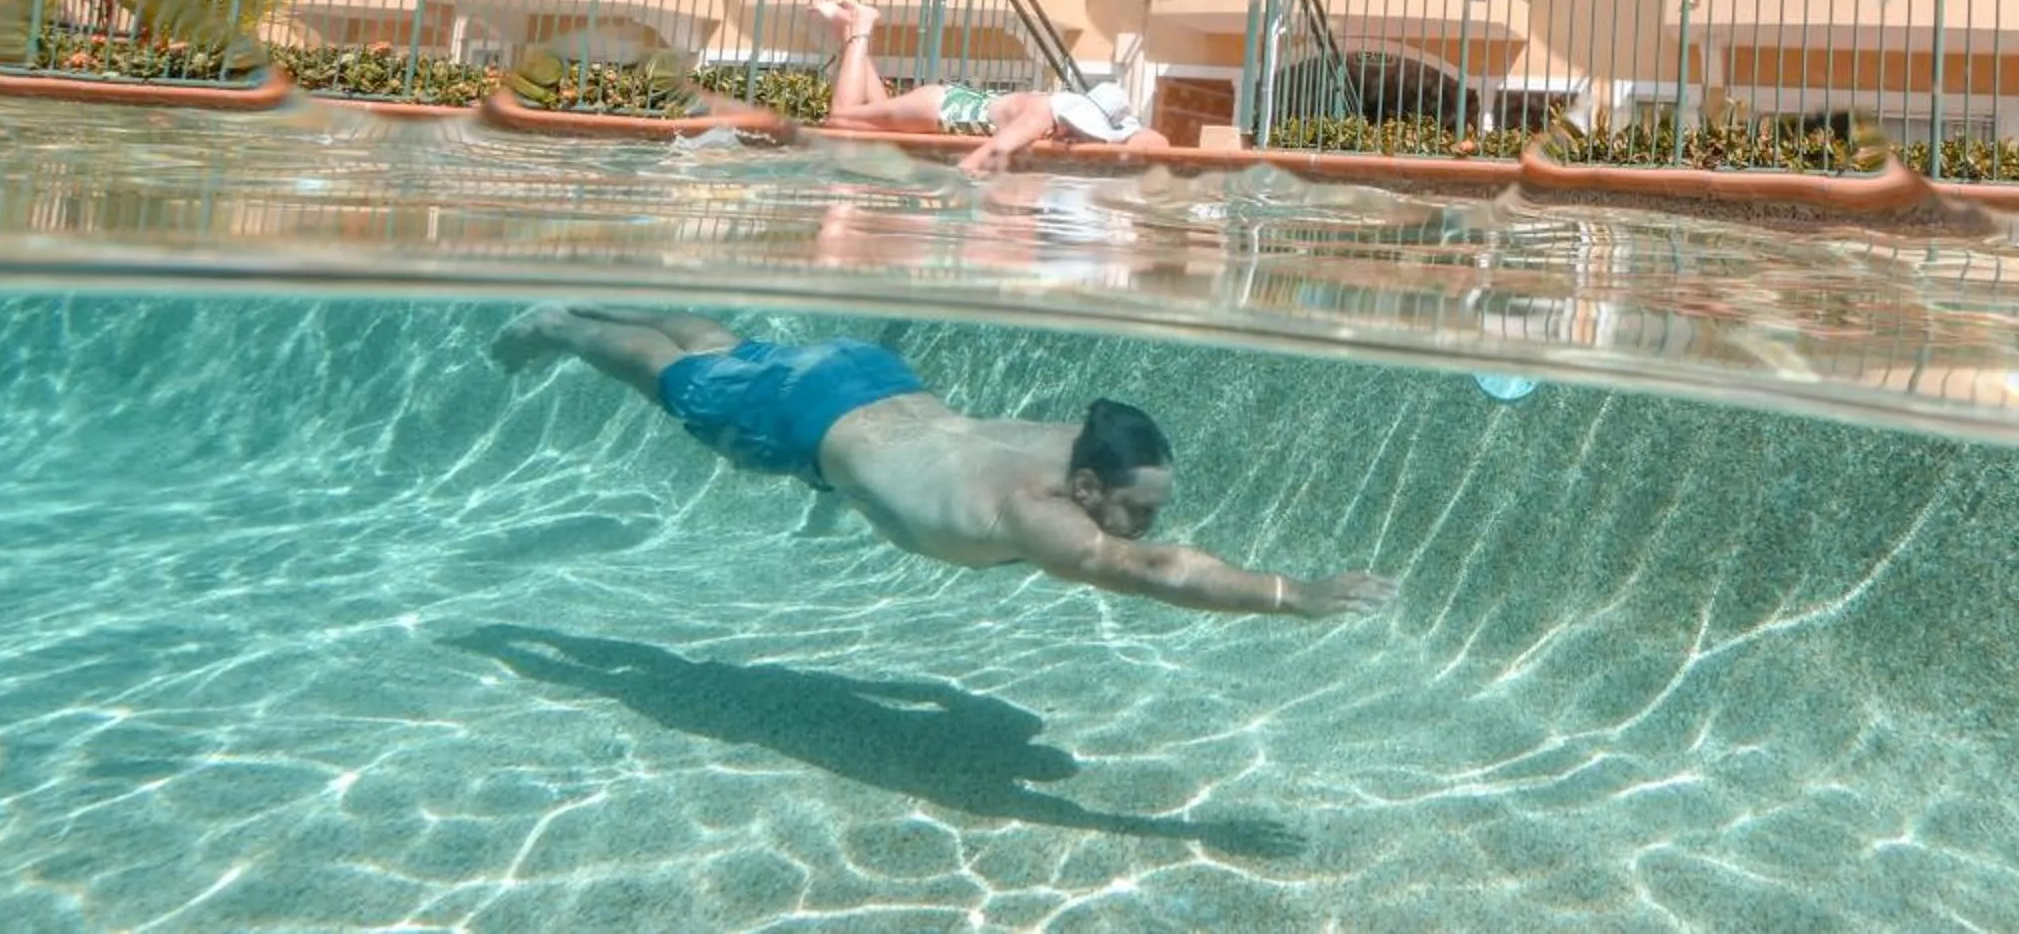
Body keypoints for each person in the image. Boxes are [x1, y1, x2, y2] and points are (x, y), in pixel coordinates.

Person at [491, 305, 1398, 621]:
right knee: (665, 374)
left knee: (728, 350)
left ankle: (607, 303)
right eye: (1141, 508)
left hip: (867, 375)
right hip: (807, 419)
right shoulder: (1041, 515)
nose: (1149, 524)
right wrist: (1294, 593)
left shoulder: (1073, 439)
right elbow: (1155, 571)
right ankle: (562, 326)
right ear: (1087, 487)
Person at [811, 0, 1166, 175]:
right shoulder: (1042, 114)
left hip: (945, 109)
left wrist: (1115, 144)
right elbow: (988, 155)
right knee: (841, 120)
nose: (1076, 138)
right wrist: (949, 191)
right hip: (942, 109)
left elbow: (1154, 140)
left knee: (873, 127)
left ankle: (846, 29)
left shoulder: (1067, 114)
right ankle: (859, 26)